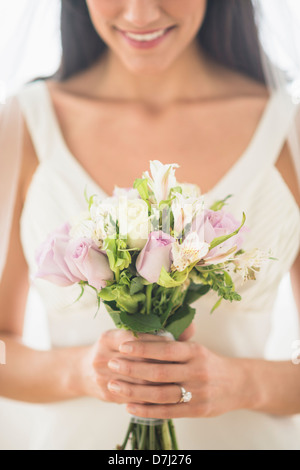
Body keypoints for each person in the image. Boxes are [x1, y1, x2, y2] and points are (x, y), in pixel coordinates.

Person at [0, 0, 299, 450]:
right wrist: (78, 371)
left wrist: (244, 383)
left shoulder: (287, 129)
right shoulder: (23, 125)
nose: (140, 15)